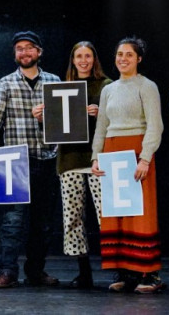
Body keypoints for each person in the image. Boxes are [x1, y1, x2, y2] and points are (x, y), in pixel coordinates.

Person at [0, 30, 62, 289]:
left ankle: (36, 271)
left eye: (29, 48)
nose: (24, 52)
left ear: (39, 52)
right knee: (12, 222)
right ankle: (7, 271)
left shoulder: (53, 81)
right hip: (14, 161)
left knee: (43, 223)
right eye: (19, 49)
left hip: (46, 158)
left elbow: (63, 124)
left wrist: (46, 120)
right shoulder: (6, 82)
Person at [91, 37, 165, 294]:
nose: (123, 58)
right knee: (117, 213)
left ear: (139, 59)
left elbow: (155, 125)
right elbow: (101, 126)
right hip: (112, 152)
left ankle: (149, 272)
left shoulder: (147, 86)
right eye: (119, 54)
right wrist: (96, 156)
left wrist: (145, 157)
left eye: (129, 55)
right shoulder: (108, 90)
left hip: (136, 152)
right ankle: (124, 271)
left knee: (140, 213)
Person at [57, 41, 113, 289]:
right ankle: (83, 271)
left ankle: (117, 270)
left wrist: (101, 112)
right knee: (73, 218)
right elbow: (55, 128)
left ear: (94, 59)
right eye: (78, 55)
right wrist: (43, 116)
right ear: (73, 59)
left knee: (106, 216)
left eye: (88, 55)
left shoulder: (107, 86)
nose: (83, 60)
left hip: (97, 158)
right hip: (69, 159)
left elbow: (117, 118)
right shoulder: (61, 88)